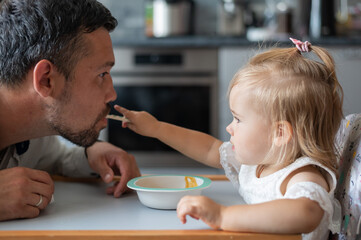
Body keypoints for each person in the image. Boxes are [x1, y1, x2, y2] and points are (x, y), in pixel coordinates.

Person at [114, 39, 344, 239]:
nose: (229, 127)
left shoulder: (302, 175)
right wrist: (157, 128)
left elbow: (307, 213)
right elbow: (209, 149)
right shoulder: (260, 159)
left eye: (238, 119)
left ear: (280, 134)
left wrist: (223, 216)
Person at [0, 0, 140, 221]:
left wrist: (91, 154)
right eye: (102, 74)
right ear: (46, 80)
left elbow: (55, 158)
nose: (112, 94)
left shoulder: (34, 127)